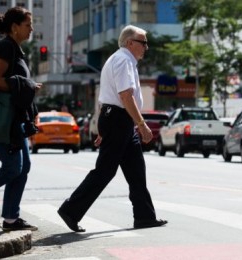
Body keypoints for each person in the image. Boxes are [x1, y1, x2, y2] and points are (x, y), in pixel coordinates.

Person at [58, 25, 167, 232]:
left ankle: (144, 216)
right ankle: (71, 210)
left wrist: (104, 128)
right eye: (143, 42)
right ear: (130, 43)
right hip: (119, 119)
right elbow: (125, 96)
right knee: (105, 171)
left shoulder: (125, 61)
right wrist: (141, 124)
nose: (146, 47)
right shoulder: (123, 60)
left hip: (118, 120)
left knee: (136, 170)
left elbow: (110, 98)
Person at [0, 7, 41, 231]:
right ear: (14, 27)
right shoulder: (5, 47)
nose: (31, 29)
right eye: (27, 25)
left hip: (15, 119)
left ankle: (11, 218)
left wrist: (28, 90)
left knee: (24, 166)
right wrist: (27, 86)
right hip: (4, 119)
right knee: (12, 168)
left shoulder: (15, 49)